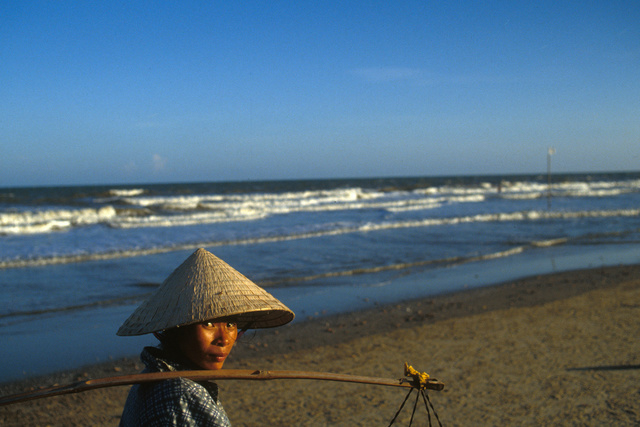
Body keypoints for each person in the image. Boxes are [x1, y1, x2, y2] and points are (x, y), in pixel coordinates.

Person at [117, 248, 294, 426]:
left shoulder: (151, 374)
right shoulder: (183, 393)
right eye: (208, 324)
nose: (224, 340)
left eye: (230, 325)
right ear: (178, 328)